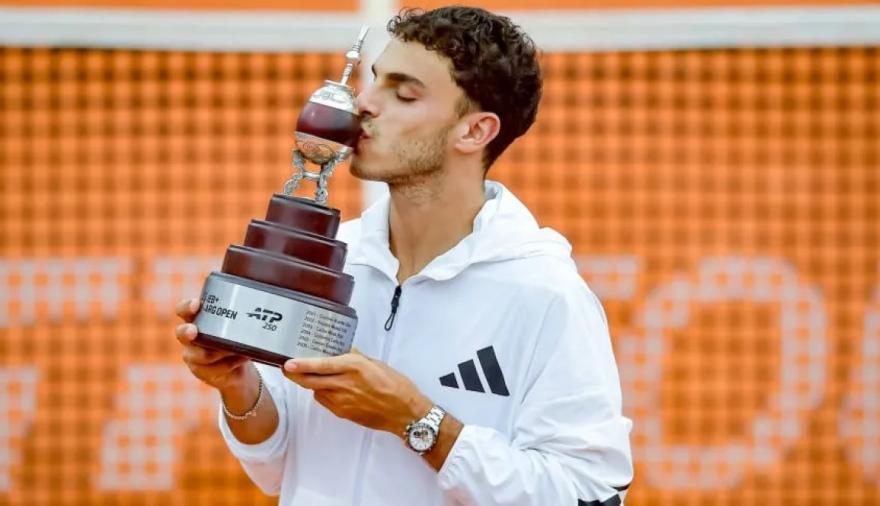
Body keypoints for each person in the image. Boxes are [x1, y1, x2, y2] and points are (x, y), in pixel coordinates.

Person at [174, 6, 633, 505]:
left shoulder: (546, 294)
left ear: (474, 132)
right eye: (373, 81)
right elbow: (283, 467)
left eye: (404, 92)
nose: (364, 104)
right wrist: (239, 386)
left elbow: (590, 495)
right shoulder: (337, 257)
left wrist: (418, 420)